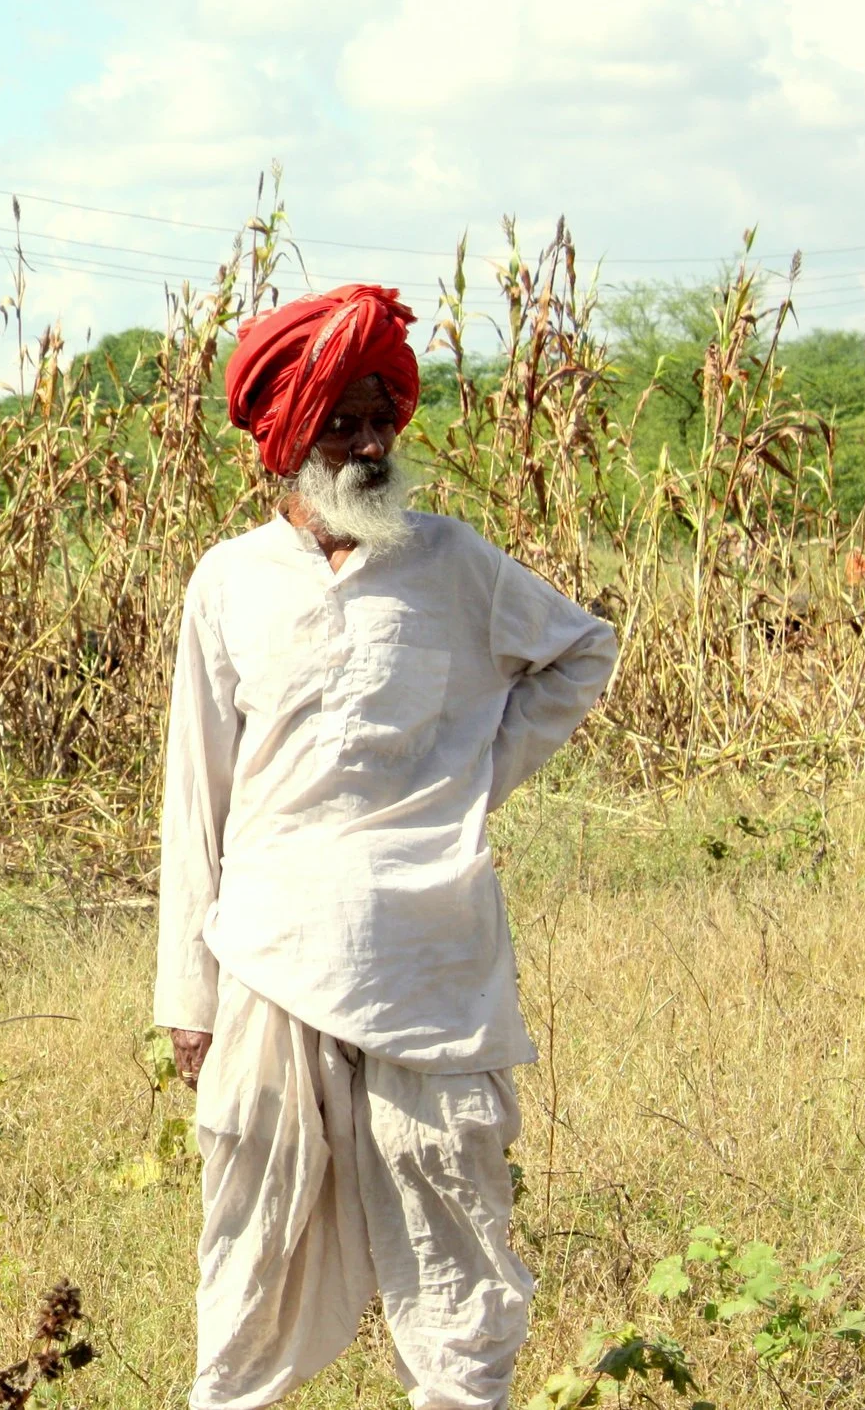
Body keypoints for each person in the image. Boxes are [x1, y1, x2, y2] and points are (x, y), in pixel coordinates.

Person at [155, 284, 617, 1410]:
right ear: (285, 440)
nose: (368, 444)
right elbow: (194, 793)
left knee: (452, 1227)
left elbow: (579, 653)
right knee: (250, 1244)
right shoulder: (228, 582)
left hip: (429, 957)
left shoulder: (450, 562)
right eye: (341, 422)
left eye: (380, 420)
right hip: (267, 955)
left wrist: (470, 780)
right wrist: (187, 993)